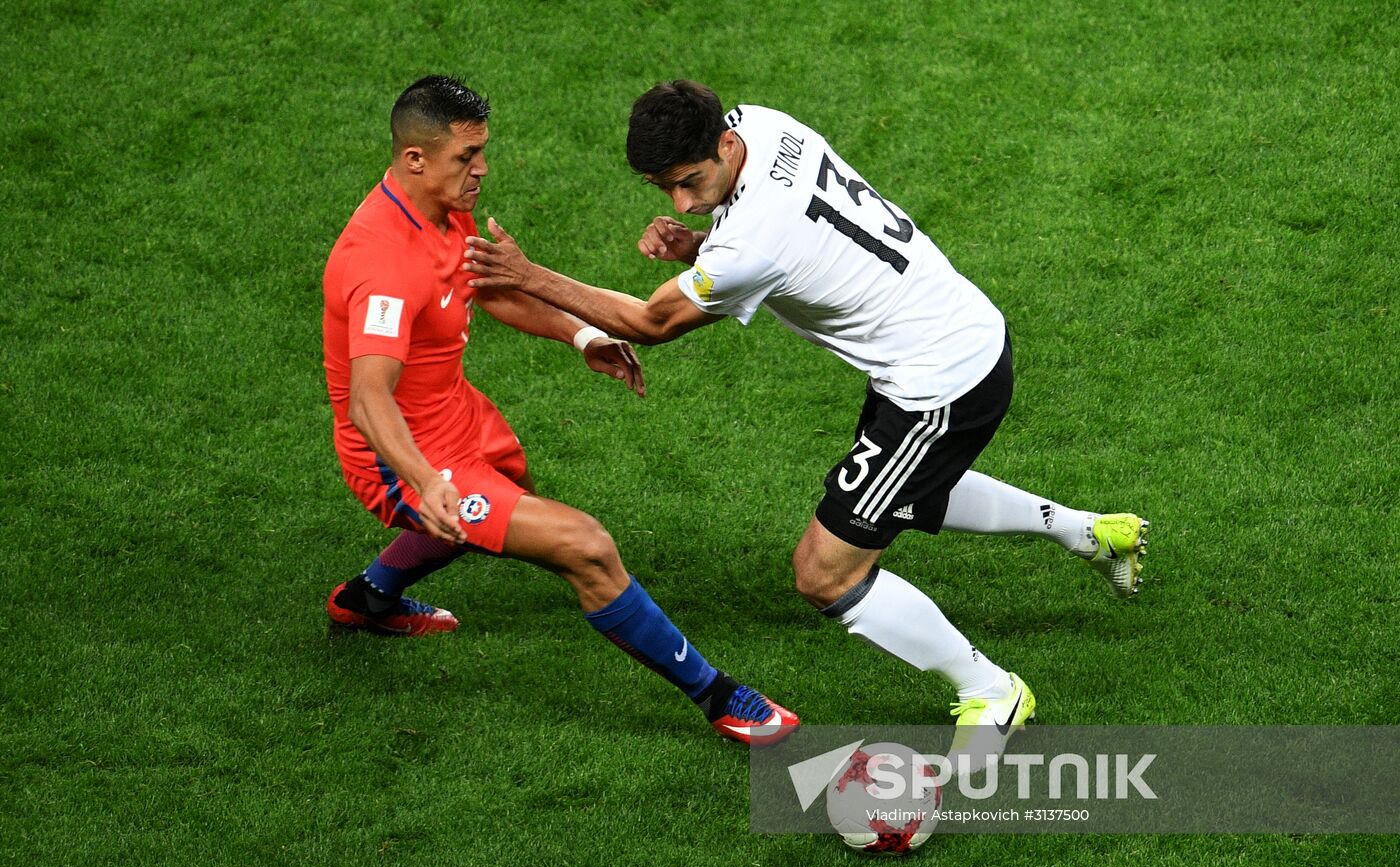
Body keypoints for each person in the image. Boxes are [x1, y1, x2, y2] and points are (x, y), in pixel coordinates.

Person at [462, 79, 1150, 767]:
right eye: (664, 189)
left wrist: (530, 276)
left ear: (724, 143)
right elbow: (788, 232)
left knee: (824, 572)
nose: (680, 201)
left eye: (691, 181)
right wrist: (700, 244)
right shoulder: (766, 124)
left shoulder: (751, 241)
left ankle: (993, 690)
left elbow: (652, 321)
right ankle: (1091, 534)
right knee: (913, 489)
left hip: (940, 382)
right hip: (948, 337)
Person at [321, 75, 797, 747]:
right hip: (402, 456)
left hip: (459, 418)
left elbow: (486, 286)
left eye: (481, 151)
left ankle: (368, 598)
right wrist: (425, 480)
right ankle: (723, 698)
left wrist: (582, 334)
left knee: (509, 500)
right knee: (585, 547)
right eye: (466, 157)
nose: (482, 169)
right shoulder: (379, 263)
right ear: (414, 158)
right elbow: (370, 398)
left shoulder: (439, 204)